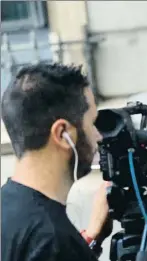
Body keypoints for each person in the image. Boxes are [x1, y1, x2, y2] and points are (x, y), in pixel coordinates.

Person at [1, 63, 112, 261]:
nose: (99, 137)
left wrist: (90, 237)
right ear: (62, 134)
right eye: (92, 123)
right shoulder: (53, 240)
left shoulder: (7, 209)